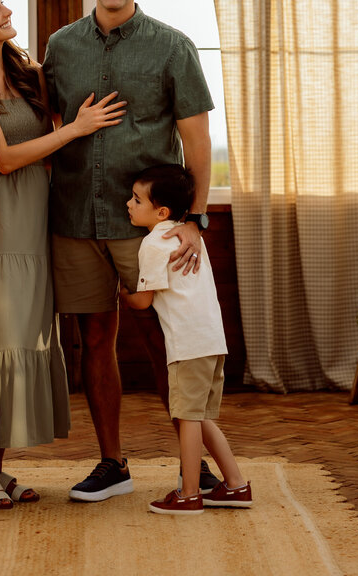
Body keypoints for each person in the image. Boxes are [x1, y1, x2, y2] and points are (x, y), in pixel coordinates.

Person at [42, 0, 218, 502]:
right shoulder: (60, 47)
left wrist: (193, 216)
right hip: (72, 218)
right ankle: (112, 462)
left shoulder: (173, 46)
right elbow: (45, 126)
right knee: (95, 339)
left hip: (145, 229)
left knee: (167, 343)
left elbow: (197, 138)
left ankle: (200, 469)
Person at [0, 0, 126, 509]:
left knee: (23, 341)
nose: (7, 9)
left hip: (36, 223)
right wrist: (76, 129)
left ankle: (0, 468)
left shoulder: (26, 73)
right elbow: (4, 159)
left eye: (3, 2)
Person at [119, 164, 251, 515]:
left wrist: (121, 292)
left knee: (188, 419)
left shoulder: (153, 243)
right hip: (212, 342)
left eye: (136, 199)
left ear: (160, 212)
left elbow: (144, 300)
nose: (128, 204)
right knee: (202, 417)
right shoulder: (187, 236)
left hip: (188, 346)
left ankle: (189, 493)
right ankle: (236, 485)